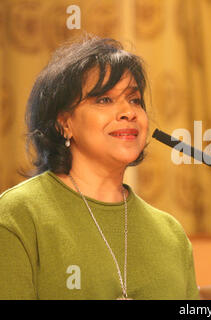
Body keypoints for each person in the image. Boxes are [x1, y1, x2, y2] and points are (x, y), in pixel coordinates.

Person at [0, 36, 199, 300]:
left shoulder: (171, 233)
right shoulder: (18, 215)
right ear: (64, 124)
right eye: (104, 100)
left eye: (135, 99)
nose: (128, 112)